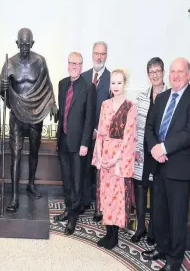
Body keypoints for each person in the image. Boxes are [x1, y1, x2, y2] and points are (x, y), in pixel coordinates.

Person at [142, 58, 190, 271]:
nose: (175, 75)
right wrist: (155, 148)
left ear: (188, 74)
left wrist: (163, 148)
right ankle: (163, 247)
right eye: (172, 72)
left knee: (177, 216)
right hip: (159, 165)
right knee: (159, 212)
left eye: (180, 72)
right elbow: (149, 127)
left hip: (180, 167)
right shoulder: (162, 97)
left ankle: (174, 259)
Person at [0, 28, 58, 212]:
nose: (24, 47)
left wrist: (53, 104)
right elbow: (2, 93)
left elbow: (47, 85)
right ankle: (15, 196)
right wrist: (4, 88)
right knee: (15, 154)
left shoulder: (40, 61)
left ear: (32, 43)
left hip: (35, 113)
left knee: (34, 151)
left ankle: (31, 184)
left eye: (27, 44)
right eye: (21, 44)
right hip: (16, 114)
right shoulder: (9, 63)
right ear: (17, 43)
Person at [92, 69, 137, 250]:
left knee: (117, 197)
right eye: (113, 83)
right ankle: (108, 232)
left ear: (124, 84)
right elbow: (100, 133)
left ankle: (114, 236)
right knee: (106, 195)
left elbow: (129, 137)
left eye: (119, 83)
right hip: (105, 155)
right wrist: (100, 155)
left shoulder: (130, 107)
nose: (116, 86)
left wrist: (116, 159)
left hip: (119, 158)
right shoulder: (105, 104)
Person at [54, 52, 96, 235]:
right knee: (67, 180)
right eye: (71, 63)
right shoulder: (62, 84)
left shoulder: (89, 87)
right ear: (67, 64)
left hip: (79, 144)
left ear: (82, 65)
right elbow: (63, 112)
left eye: (77, 64)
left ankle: (73, 217)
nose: (73, 66)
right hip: (63, 141)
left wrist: (85, 143)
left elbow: (89, 118)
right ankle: (68, 209)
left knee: (78, 182)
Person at [132, 57, 168, 244]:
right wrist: (136, 149)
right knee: (140, 187)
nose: (155, 75)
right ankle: (140, 228)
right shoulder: (142, 97)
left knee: (156, 192)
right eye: (151, 72)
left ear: (163, 72)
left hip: (160, 153)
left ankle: (153, 230)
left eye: (158, 71)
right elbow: (137, 127)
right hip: (142, 151)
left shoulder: (170, 96)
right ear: (148, 75)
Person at [82, 41, 111, 221]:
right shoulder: (84, 77)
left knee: (100, 173)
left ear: (106, 56)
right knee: (85, 169)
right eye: (96, 53)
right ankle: (85, 201)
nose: (99, 57)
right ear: (92, 54)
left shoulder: (112, 78)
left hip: (103, 135)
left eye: (102, 54)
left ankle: (99, 207)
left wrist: (97, 129)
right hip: (85, 135)